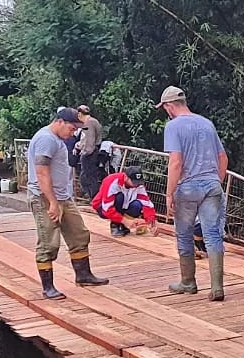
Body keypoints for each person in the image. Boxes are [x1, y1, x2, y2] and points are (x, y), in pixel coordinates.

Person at [28, 108, 110, 300]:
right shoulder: (46, 139)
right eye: (72, 129)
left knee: (79, 234)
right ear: (60, 122)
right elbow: (41, 172)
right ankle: (47, 287)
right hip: (45, 198)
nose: (72, 133)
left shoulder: (57, 140)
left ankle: (83, 275)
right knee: (49, 242)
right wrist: (52, 202)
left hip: (63, 197)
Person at [157, 85, 228, 301]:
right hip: (212, 185)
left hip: (187, 187)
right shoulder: (206, 123)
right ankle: (217, 287)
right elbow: (223, 158)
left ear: (169, 106)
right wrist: (217, 181)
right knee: (213, 234)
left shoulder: (174, 126)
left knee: (184, 233)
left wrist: (169, 194)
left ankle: (188, 282)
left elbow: (176, 161)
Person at [91, 169, 156, 236]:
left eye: (138, 182)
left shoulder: (139, 185)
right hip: (103, 208)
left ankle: (124, 226)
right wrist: (125, 221)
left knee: (137, 205)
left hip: (124, 205)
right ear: (125, 177)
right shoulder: (112, 181)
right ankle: (115, 226)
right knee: (119, 197)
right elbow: (106, 209)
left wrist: (150, 221)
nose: (136, 185)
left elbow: (147, 204)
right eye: (134, 182)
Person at [76, 105, 106, 199]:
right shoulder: (93, 121)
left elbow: (90, 141)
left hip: (90, 154)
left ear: (80, 114)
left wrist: (85, 152)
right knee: (87, 177)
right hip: (92, 151)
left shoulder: (89, 123)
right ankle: (94, 198)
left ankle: (94, 198)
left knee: (88, 178)